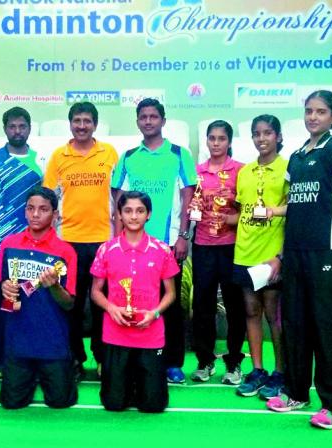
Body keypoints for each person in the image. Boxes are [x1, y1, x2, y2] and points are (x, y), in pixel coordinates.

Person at [265, 90, 332, 430]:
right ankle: (296, 393)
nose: (313, 117)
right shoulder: (296, 156)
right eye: (309, 111)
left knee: (327, 327)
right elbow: (295, 205)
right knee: (295, 324)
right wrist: (281, 254)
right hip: (295, 251)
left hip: (328, 251)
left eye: (321, 112)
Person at [110, 98, 196, 384]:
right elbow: (117, 197)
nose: (148, 121)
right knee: (133, 299)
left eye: (153, 117)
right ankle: (135, 357)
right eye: (143, 117)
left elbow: (188, 198)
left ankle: (172, 362)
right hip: (133, 245)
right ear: (137, 121)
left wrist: (183, 236)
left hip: (168, 243)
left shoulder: (179, 154)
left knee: (168, 304)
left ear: (163, 120)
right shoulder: (129, 156)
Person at [42, 101, 118, 379]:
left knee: (101, 305)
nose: (82, 126)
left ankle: (101, 356)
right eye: (77, 121)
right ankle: (74, 357)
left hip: (103, 241)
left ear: (95, 124)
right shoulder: (59, 156)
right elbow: (47, 198)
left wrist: (118, 237)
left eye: (87, 121)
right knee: (71, 305)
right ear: (70, 123)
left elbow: (119, 197)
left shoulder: (108, 153)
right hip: (68, 243)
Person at [90, 191, 179, 412]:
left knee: (153, 405)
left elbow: (171, 293)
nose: (133, 216)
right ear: (119, 214)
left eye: (140, 211)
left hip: (150, 335)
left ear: (148, 214)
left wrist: (155, 313)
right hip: (116, 334)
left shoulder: (162, 250)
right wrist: (111, 308)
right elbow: (95, 292)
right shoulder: (106, 249)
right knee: (113, 404)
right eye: (128, 211)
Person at [0, 186, 78, 409]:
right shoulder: (8, 245)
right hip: (18, 341)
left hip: (52, 342)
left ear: (55, 215)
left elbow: (69, 303)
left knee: (61, 402)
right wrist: (4, 288)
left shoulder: (65, 251)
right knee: (11, 403)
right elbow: (2, 287)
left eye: (43, 209)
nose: (35, 214)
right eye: (30, 208)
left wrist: (54, 287)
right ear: (24, 211)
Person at [0, 107, 46, 376]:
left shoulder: (40, 160)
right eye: (12, 126)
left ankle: (27, 355)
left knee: (28, 301)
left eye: (22, 126)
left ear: (29, 128)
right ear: (5, 128)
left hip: (30, 246)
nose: (17, 131)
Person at [233, 115, 288, 399]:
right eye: (256, 133)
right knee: (251, 312)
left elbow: (298, 210)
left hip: (272, 256)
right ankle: (257, 370)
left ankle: (280, 372)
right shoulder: (245, 172)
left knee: (273, 315)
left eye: (267, 133)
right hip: (245, 253)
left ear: (278, 136)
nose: (261, 139)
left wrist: (280, 255)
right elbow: (242, 212)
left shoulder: (289, 168)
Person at [187, 120, 246, 385]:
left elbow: (248, 208)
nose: (216, 143)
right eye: (212, 138)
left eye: (222, 138)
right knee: (203, 306)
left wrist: (235, 218)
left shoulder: (241, 171)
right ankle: (205, 361)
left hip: (233, 247)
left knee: (235, 307)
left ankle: (234, 363)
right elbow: (189, 206)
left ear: (229, 142)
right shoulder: (196, 172)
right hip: (202, 246)